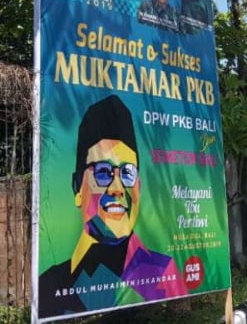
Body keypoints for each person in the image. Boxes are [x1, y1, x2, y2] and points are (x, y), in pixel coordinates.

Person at [38, 95, 187, 318]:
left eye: (127, 173)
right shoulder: (49, 286)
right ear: (77, 188)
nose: (117, 188)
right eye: (103, 172)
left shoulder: (161, 274)